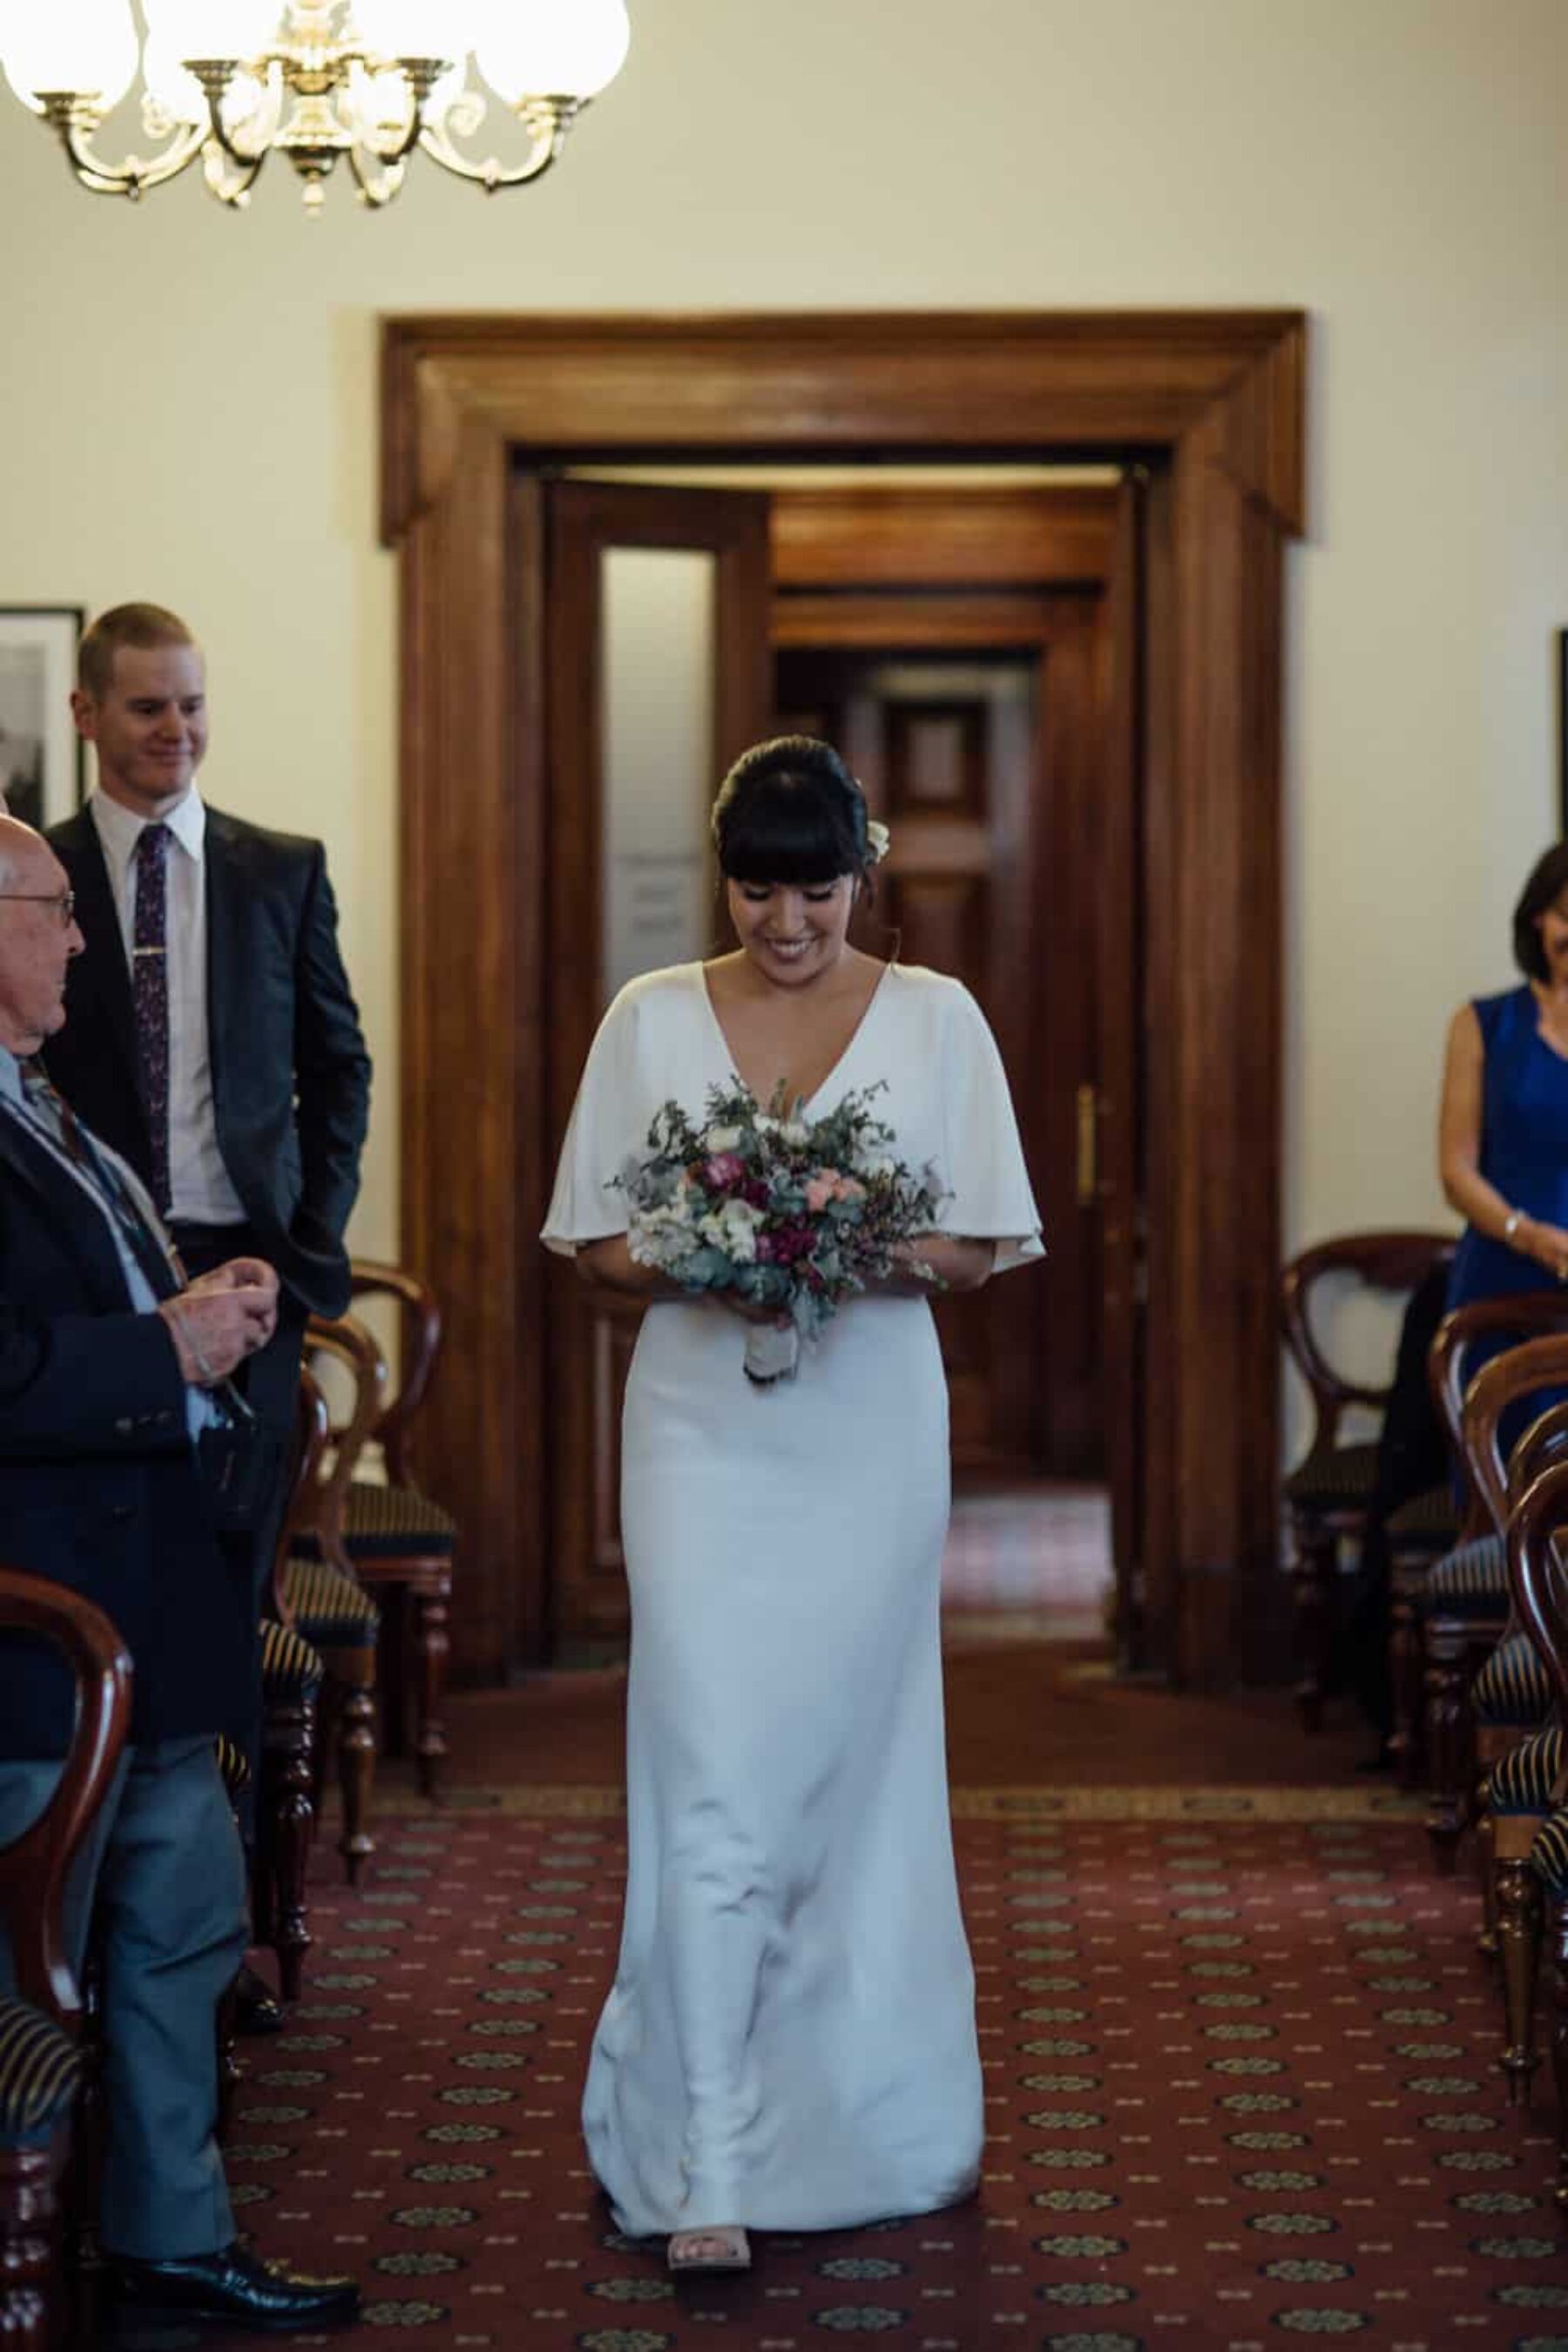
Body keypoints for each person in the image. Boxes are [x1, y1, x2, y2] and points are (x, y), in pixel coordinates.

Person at [542, 735, 1042, 2274]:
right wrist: (719, 1250)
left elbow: (979, 1243)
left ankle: (855, 2118)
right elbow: (593, 1250)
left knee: (852, 1764)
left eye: (815, 891)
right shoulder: (648, 1018)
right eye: (757, 893)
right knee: (707, 1764)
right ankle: (700, 2155)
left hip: (869, 1436)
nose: (785, 924)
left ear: (862, 872)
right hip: (701, 1437)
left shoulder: (940, 1020)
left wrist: (832, 1246)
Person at [0, 813, 360, 2331]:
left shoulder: (37, 1103)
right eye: (54, 911)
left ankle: (171, 2238)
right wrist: (167, 1347)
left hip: (142, 1603)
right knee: (49, 1955)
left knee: (184, 1927)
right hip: (39, 1637)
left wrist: (194, 1306)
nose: (84, 939)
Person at [44, 602, 372, 2024]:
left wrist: (306, 1256)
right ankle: (90, 1920)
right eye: (145, 710)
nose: (174, 732)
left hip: (249, 1277)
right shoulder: (32, 876)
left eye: (191, 707)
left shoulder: (275, 870)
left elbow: (335, 1065)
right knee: (111, 1595)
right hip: (92, 1298)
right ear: (85, 717)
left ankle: (221, 1941)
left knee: (232, 1601)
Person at [1438, 841, 1568, 1442]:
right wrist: (1528, 1235)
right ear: (1539, 918)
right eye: (1566, 914)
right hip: (1502, 1278)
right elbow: (1455, 1169)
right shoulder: (1483, 1023)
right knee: (1503, 1477)